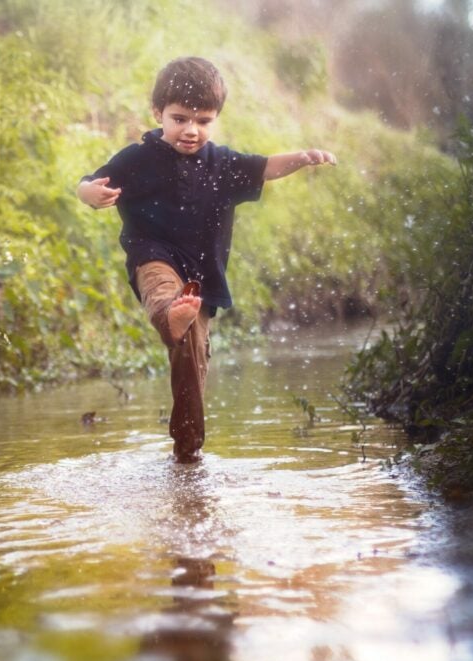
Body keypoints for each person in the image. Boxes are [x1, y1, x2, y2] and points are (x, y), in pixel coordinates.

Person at [77, 56, 336, 463]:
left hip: (201, 283)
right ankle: (167, 316)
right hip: (153, 257)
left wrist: (303, 157)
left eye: (203, 120)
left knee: (192, 368)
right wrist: (90, 194)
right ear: (157, 113)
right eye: (179, 119)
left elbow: (266, 167)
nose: (191, 130)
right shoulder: (136, 159)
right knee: (164, 291)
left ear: (215, 119)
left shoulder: (224, 164)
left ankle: (188, 452)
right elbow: (89, 183)